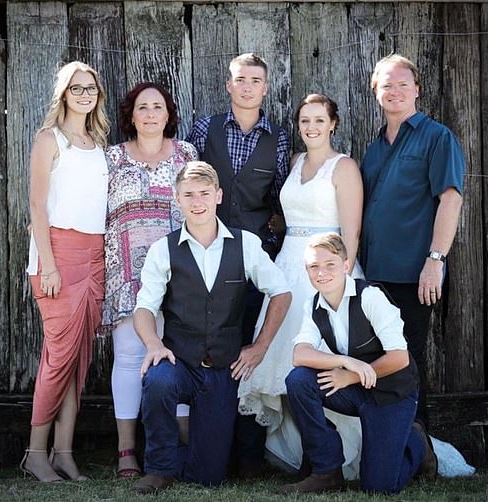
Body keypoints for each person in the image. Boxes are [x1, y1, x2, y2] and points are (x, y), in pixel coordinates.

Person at [131, 161, 291, 494]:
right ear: (177, 199)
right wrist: (153, 345)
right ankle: (160, 468)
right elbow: (145, 307)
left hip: (223, 369)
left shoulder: (245, 244)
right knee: (157, 381)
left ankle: (192, 462)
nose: (197, 201)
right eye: (188, 194)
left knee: (208, 477)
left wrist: (260, 347)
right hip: (180, 361)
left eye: (204, 193)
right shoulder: (164, 249)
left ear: (218, 196)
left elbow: (281, 292)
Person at [238, 94, 364, 476]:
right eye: (304, 121)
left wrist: (339, 279)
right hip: (290, 267)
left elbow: (351, 232)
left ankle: (339, 451)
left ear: (333, 124)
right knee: (283, 360)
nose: (311, 127)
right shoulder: (293, 163)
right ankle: (301, 449)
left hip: (327, 269)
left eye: (319, 120)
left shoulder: (344, 168)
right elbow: (288, 214)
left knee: (323, 358)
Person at [186, 52, 290, 476]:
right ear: (229, 85)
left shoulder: (279, 137)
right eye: (240, 79)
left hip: (250, 261)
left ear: (265, 88)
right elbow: (189, 185)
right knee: (208, 349)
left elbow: (282, 200)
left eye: (255, 80)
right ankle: (209, 448)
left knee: (248, 351)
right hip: (203, 258)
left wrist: (268, 241)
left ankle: (247, 455)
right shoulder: (205, 128)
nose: (247, 86)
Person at [279, 233, 436, 495]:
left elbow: (400, 357)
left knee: (379, 488)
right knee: (299, 380)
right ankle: (326, 470)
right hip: (355, 390)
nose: (322, 273)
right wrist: (345, 362)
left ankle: (418, 444)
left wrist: (350, 377)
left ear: (345, 264)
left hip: (391, 393)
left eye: (330, 265)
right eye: (314, 267)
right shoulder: (313, 305)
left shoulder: (370, 297)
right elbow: (300, 354)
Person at [360, 54, 465, 428]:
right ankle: (387, 442)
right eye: (387, 84)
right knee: (381, 357)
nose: (396, 91)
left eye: (404, 84)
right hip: (374, 274)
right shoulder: (374, 148)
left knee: (408, 359)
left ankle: (416, 448)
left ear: (417, 90)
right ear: (376, 92)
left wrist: (435, 260)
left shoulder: (437, 137)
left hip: (414, 273)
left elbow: (451, 199)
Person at [101, 82, 197, 478]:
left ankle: (183, 445)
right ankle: (127, 451)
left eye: (158, 106)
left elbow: (198, 203)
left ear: (168, 113)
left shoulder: (187, 154)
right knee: (128, 356)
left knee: (178, 353)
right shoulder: (112, 159)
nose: (151, 114)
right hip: (126, 272)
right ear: (132, 115)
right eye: (143, 107)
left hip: (178, 271)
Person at [20, 61, 110, 482]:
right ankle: (35, 453)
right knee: (58, 358)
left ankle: (64, 454)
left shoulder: (97, 141)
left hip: (94, 256)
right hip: (56, 255)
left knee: (78, 360)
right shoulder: (48, 139)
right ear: (63, 94)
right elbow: (37, 206)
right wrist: (50, 266)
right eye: (76, 88)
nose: (84, 94)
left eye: (90, 88)